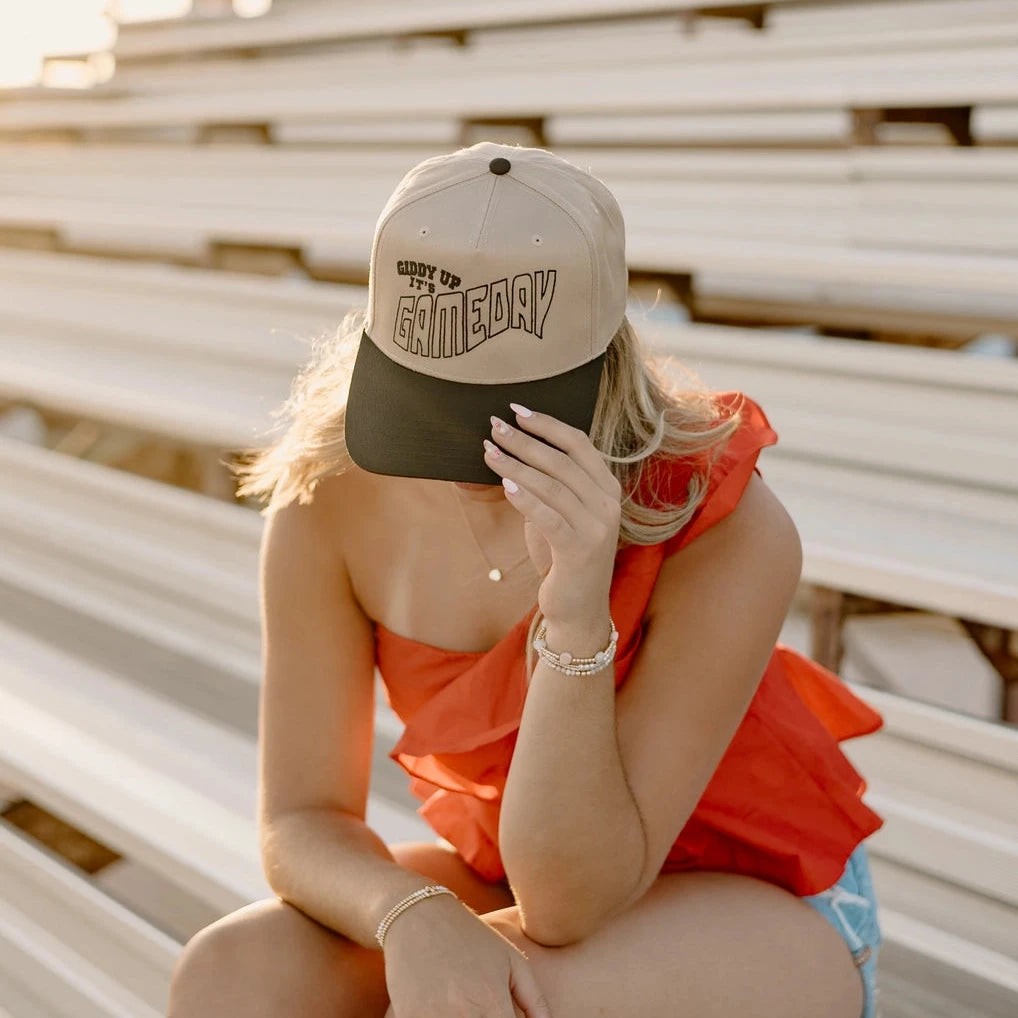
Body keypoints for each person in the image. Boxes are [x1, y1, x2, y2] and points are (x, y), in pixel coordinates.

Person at [167, 142, 885, 1018]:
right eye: (433, 397)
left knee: (482, 1003)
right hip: (511, 871)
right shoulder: (329, 500)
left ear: (602, 362)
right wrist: (409, 910)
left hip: (760, 894)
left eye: (513, 402)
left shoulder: (721, 520)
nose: (473, 446)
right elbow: (302, 819)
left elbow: (568, 899)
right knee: (234, 973)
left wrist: (577, 611)